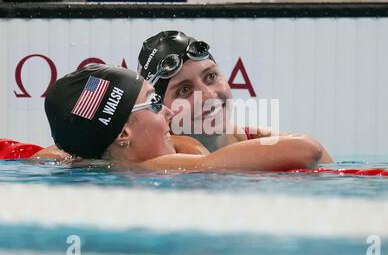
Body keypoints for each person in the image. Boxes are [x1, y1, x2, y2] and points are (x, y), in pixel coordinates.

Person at [43, 63, 324, 171]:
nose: (165, 110)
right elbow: (306, 150)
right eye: (154, 102)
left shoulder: (82, 163)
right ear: (123, 134)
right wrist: (248, 131)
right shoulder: (159, 167)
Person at [137, 30, 333, 162]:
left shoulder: (264, 140)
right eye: (184, 90)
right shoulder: (153, 164)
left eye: (211, 76)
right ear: (161, 108)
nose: (208, 95)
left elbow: (316, 155)